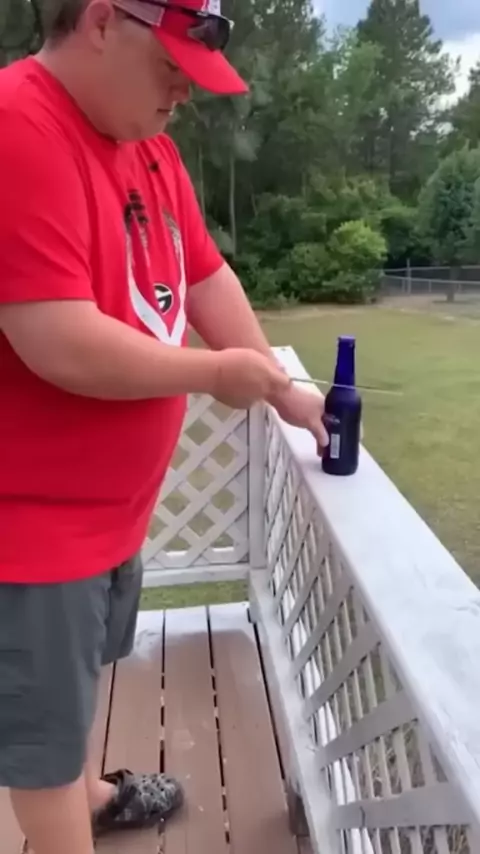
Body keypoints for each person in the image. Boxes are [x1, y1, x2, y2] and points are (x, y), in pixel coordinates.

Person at [0, 0, 328, 852]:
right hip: (30, 532)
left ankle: (92, 797)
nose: (184, 92)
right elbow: (54, 338)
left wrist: (284, 389)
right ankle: (68, 816)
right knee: (38, 748)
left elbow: (207, 278)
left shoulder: (149, 146)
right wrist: (213, 373)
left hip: (108, 516)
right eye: (171, 68)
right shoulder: (18, 127)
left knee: (73, 691)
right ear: (102, 21)